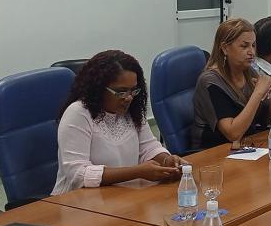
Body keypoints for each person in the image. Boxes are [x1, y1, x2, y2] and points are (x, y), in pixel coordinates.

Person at [51, 50, 186, 193]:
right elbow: (78, 174)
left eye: (133, 90)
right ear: (98, 88)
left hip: (122, 195)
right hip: (77, 203)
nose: (128, 98)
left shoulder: (132, 110)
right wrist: (137, 172)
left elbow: (149, 147)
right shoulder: (79, 113)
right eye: (121, 92)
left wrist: (167, 160)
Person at [192, 17, 271, 151]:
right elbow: (233, 133)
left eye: (253, 45)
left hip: (246, 148)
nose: (251, 52)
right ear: (225, 48)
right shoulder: (211, 81)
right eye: (244, 46)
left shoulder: (248, 72)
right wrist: (258, 93)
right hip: (214, 153)